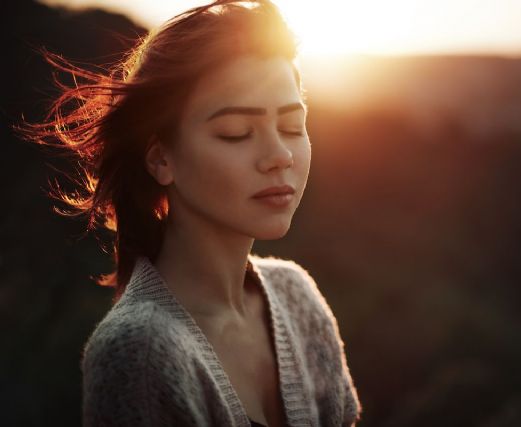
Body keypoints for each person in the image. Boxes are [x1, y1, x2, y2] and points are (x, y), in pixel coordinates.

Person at [14, 0, 362, 425]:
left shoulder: (297, 295)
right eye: (236, 133)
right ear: (161, 159)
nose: (279, 155)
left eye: (292, 127)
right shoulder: (138, 353)